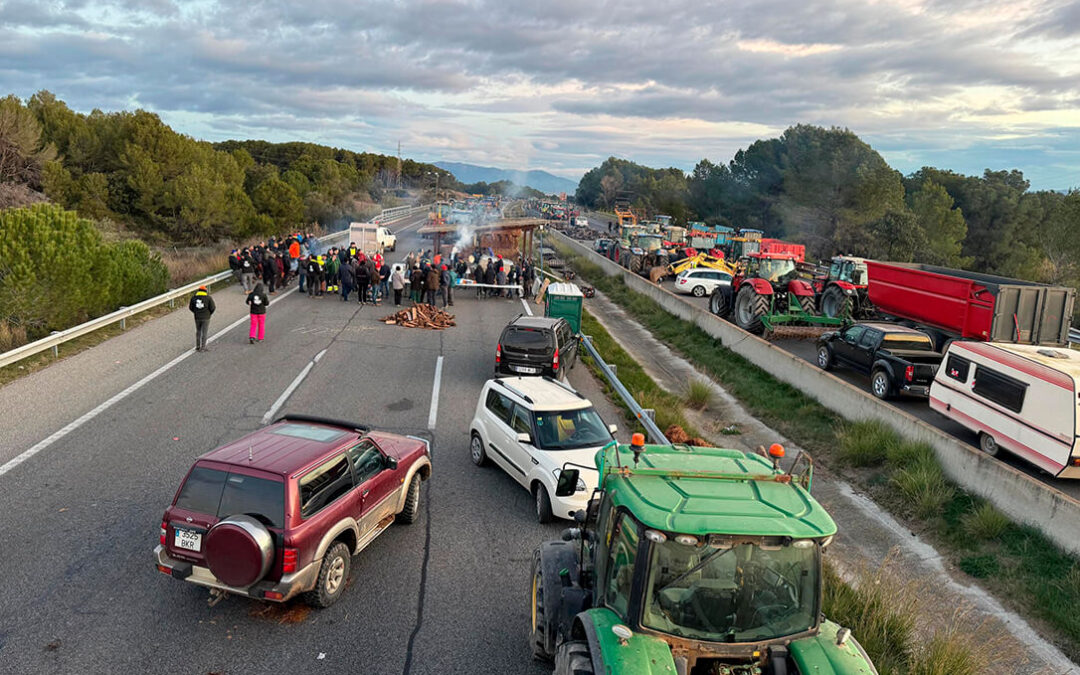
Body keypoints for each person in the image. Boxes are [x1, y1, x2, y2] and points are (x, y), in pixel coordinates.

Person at [188, 285, 215, 352]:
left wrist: (196, 312)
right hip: (206, 317)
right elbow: (213, 308)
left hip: (197, 317)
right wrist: (209, 314)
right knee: (204, 332)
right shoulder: (208, 298)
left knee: (198, 331)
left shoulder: (194, 298)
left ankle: (197, 346)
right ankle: (203, 347)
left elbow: (191, 307)